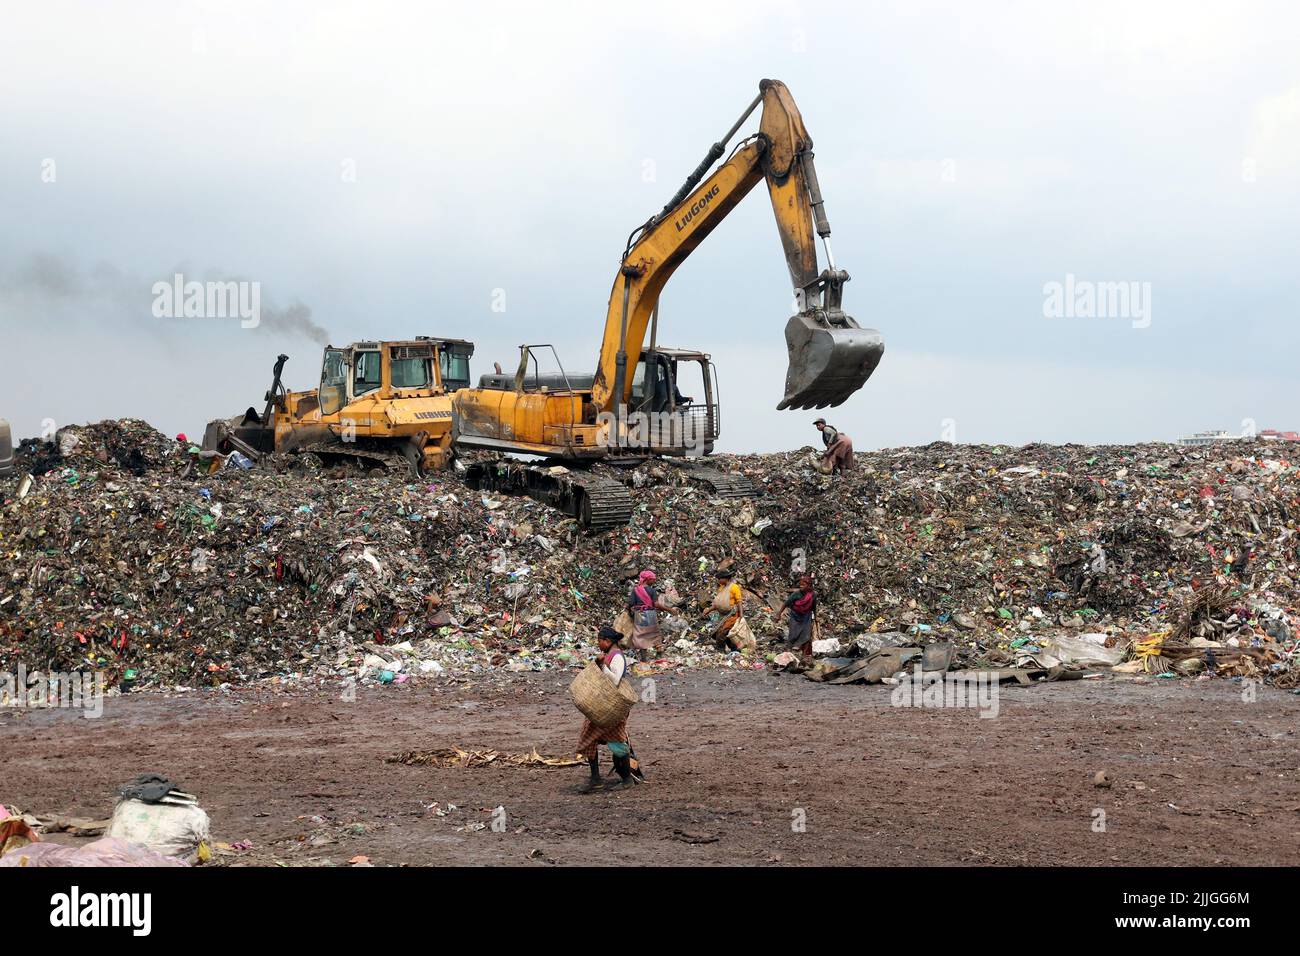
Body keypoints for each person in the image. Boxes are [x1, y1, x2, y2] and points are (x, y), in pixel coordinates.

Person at [576, 626, 645, 793]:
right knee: (589, 738)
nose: (598, 644)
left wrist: (602, 666)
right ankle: (595, 779)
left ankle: (627, 779)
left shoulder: (618, 657)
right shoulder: (609, 655)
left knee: (617, 742)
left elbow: (614, 680)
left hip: (614, 708)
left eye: (599, 641)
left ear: (607, 641)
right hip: (602, 705)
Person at [626, 570, 674, 660]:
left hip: (639, 614)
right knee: (654, 633)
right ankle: (659, 653)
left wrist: (629, 611)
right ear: (647, 580)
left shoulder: (636, 590)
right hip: (650, 614)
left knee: (640, 634)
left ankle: (644, 657)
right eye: (652, 580)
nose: (654, 581)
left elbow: (631, 603)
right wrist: (669, 609)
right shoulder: (652, 591)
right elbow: (656, 605)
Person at [780, 576, 817, 657]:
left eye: (803, 585)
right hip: (795, 616)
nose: (801, 587)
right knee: (793, 634)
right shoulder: (796, 594)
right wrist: (778, 614)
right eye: (800, 585)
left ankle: (805, 655)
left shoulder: (812, 595)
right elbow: (786, 603)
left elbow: (814, 607)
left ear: (809, 586)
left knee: (806, 635)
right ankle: (788, 653)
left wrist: (815, 618)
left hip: (806, 617)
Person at [709, 568, 745, 647]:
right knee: (720, 632)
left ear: (726, 578)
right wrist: (708, 610)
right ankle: (731, 648)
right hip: (723, 615)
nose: (718, 580)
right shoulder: (721, 588)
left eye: (719, 579)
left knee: (722, 632)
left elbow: (739, 602)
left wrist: (741, 616)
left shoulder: (734, 587)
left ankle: (721, 649)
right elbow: (718, 603)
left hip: (732, 614)